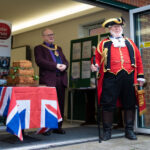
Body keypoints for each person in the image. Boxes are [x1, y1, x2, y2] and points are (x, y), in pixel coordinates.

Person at [91, 17, 146, 141]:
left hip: (129, 77)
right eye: (114, 27)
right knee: (108, 104)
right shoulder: (103, 43)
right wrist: (94, 65)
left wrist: (140, 76)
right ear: (110, 29)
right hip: (110, 77)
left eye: (119, 27)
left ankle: (129, 130)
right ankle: (107, 132)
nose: (117, 29)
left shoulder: (130, 43)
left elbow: (138, 60)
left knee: (129, 104)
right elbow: (97, 58)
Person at [34, 28, 68, 135]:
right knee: (48, 105)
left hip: (60, 79)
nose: (51, 36)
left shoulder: (59, 48)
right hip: (48, 80)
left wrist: (65, 66)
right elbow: (40, 61)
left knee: (60, 104)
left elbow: (65, 61)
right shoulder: (39, 48)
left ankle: (58, 127)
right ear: (43, 37)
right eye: (48, 35)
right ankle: (46, 128)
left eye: (52, 34)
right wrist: (56, 65)